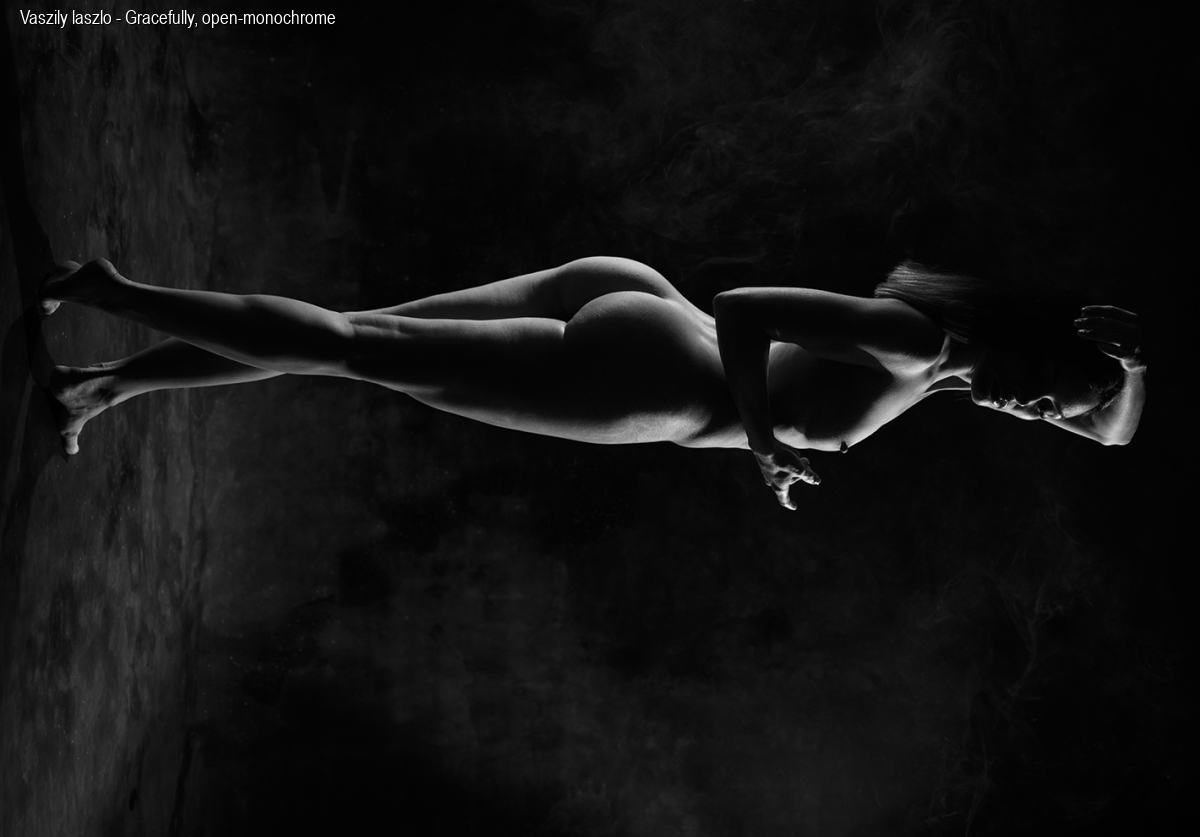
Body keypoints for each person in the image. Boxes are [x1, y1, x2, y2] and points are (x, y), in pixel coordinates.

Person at [39, 255, 1145, 509]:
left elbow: (1115, 437)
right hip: (647, 375)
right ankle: (103, 287)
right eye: (1045, 391)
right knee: (350, 345)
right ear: (1034, 342)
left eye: (1045, 418)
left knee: (352, 344)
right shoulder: (915, 344)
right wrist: (763, 441)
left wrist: (1132, 369)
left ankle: (103, 385)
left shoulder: (945, 371)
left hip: (641, 316)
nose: (1034, 413)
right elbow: (746, 309)